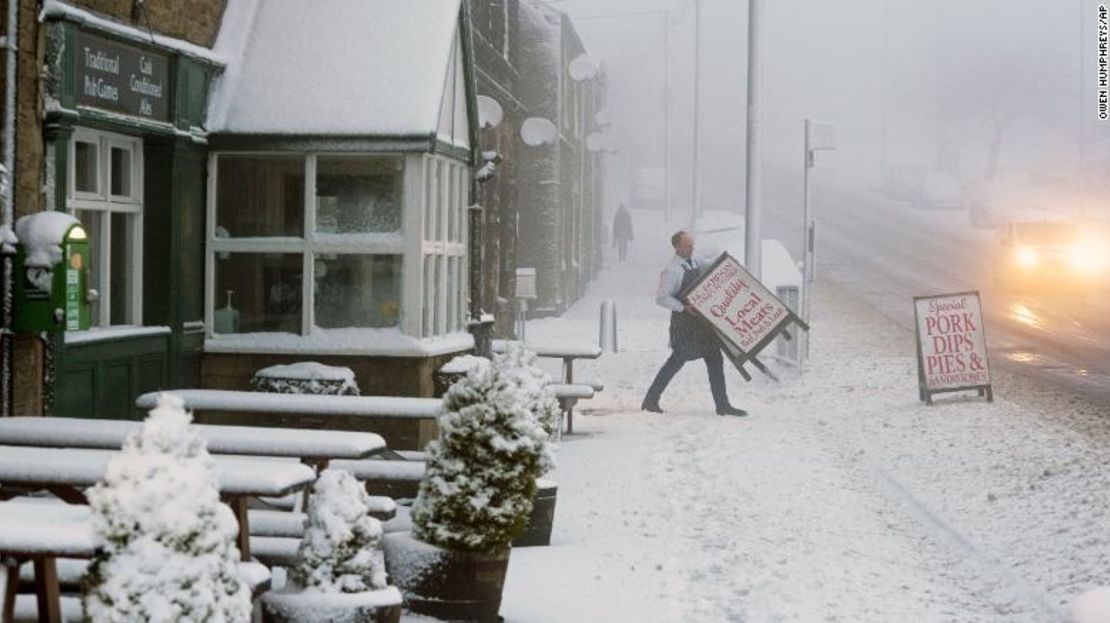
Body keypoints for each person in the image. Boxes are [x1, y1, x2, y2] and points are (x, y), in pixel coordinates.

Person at [641, 230, 747, 416]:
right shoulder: (672, 270)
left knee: (715, 359)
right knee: (676, 361)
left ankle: (722, 405)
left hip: (703, 324)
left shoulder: (695, 262)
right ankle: (650, 400)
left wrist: (726, 263)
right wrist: (683, 307)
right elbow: (662, 298)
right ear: (677, 247)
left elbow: (711, 266)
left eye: (692, 245)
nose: (691, 248)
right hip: (685, 324)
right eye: (687, 245)